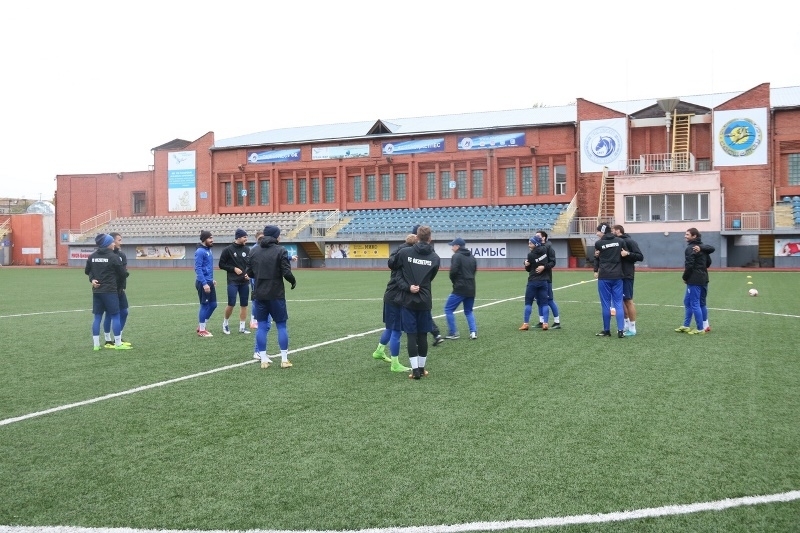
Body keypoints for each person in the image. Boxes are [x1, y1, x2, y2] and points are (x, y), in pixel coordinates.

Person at [389, 225, 440, 380]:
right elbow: (431, 277)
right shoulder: (435, 257)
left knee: (411, 335)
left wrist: (408, 287)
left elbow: (393, 267)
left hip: (408, 299)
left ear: (417, 237)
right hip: (424, 299)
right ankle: (422, 369)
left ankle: (415, 371)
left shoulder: (405, 252)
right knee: (423, 334)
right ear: (430, 238)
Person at [247, 225, 297, 369]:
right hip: (276, 294)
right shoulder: (280, 250)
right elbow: (286, 272)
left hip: (259, 294)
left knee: (262, 326)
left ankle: (263, 359)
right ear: (276, 236)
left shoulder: (254, 250)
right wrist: (293, 281)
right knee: (281, 325)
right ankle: (284, 360)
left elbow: (249, 272)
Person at [372, 233, 415, 372]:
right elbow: (400, 279)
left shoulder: (397, 253)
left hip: (390, 295)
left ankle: (379, 351)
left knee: (390, 328)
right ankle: (395, 364)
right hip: (397, 297)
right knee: (397, 330)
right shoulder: (406, 257)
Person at [85, 234, 130, 350]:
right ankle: (117, 343)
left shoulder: (92, 256)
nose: (114, 243)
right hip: (110, 290)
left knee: (97, 317)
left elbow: (87, 271)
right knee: (115, 315)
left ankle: (96, 345)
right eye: (112, 242)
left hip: (97, 291)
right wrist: (126, 274)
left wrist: (92, 279)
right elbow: (122, 273)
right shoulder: (113, 257)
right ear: (107, 243)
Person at [593, 222, 629, 338]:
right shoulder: (620, 241)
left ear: (602, 231)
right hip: (617, 275)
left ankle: (607, 330)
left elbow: (596, 257)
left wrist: (595, 269)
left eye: (598, 231)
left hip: (604, 276)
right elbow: (625, 254)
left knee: (605, 305)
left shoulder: (599, 243)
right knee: (618, 303)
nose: (596, 233)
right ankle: (620, 330)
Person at [411, 225, 444, 346]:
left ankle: (419, 338)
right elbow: (432, 273)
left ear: (417, 236)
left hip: (411, 288)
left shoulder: (408, 251)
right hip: (424, 288)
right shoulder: (433, 255)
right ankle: (435, 334)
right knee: (424, 313)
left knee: (413, 314)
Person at [676, 228, 712, 334]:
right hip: (704, 278)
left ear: (694, 236)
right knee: (689, 302)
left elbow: (689, 265)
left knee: (695, 304)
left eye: (687, 234)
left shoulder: (690, 248)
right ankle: (687, 325)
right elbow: (709, 263)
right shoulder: (703, 248)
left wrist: (685, 277)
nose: (685, 236)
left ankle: (700, 329)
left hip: (694, 280)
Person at [219, 228, 252, 335]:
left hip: (244, 282)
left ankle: (242, 327)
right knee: (231, 303)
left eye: (246, 237)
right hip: (233, 281)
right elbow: (221, 264)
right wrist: (233, 269)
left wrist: (249, 274)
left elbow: (250, 264)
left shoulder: (247, 249)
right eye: (244, 237)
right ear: (238, 237)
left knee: (244, 304)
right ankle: (225, 323)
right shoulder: (228, 249)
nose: (246, 239)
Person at [612, 225, 644, 336]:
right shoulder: (615, 242)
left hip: (626, 275)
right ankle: (626, 325)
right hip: (617, 275)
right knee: (620, 301)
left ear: (618, 231)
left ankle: (633, 328)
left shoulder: (630, 241)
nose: (611, 233)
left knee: (628, 301)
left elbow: (640, 256)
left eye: (612, 231)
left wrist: (628, 254)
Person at [443, 237, 477, 340]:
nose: (451, 248)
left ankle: (453, 333)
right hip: (471, 287)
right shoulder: (472, 256)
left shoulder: (456, 256)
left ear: (457, 246)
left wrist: (455, 282)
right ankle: (473, 332)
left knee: (448, 309)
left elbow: (453, 272)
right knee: (469, 311)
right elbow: (474, 271)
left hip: (460, 287)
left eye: (453, 246)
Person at [102, 232, 131, 348]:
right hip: (109, 289)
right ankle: (108, 340)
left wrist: (122, 286)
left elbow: (123, 272)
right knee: (109, 314)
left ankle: (118, 338)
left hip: (120, 289)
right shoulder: (104, 255)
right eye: (119, 240)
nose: (120, 242)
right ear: (112, 241)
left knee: (124, 312)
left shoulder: (121, 255)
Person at [519, 235, 554, 331]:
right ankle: (545, 323)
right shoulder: (545, 250)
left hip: (533, 280)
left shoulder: (531, 255)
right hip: (544, 281)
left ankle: (526, 324)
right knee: (544, 303)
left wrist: (525, 263)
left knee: (528, 302)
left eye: (530, 243)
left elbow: (528, 268)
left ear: (536, 244)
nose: (529, 245)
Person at [534, 230, 561, 329]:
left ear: (544, 237)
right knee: (539, 300)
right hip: (536, 279)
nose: (536, 237)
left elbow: (553, 263)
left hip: (546, 278)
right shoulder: (536, 248)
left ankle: (557, 322)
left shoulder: (549, 248)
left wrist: (544, 267)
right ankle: (541, 321)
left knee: (549, 300)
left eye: (538, 236)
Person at [195, 230, 218, 337]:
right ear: (204, 239)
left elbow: (207, 267)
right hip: (203, 283)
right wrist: (204, 283)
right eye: (210, 238)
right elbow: (198, 268)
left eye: (212, 238)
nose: (212, 240)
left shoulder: (208, 250)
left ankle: (201, 325)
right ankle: (202, 330)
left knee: (213, 305)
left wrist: (211, 280)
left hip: (209, 281)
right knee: (204, 305)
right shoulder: (200, 251)